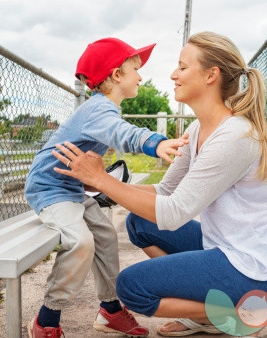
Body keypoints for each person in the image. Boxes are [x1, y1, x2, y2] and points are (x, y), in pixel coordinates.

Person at [51, 31, 267, 337]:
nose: (173, 74)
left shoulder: (235, 136)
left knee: (132, 288)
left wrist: (101, 178)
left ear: (212, 75)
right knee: (140, 222)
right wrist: (99, 185)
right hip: (221, 247)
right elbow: (164, 192)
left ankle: (237, 311)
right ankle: (205, 308)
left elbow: (173, 213)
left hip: (257, 269)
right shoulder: (198, 129)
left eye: (182, 67)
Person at [24, 37, 189, 338]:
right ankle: (46, 320)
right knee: (82, 242)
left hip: (73, 189)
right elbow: (121, 133)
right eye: (135, 69)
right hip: (50, 189)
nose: (141, 76)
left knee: (106, 238)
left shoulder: (102, 108)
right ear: (116, 75)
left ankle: (110, 310)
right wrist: (156, 143)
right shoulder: (99, 109)